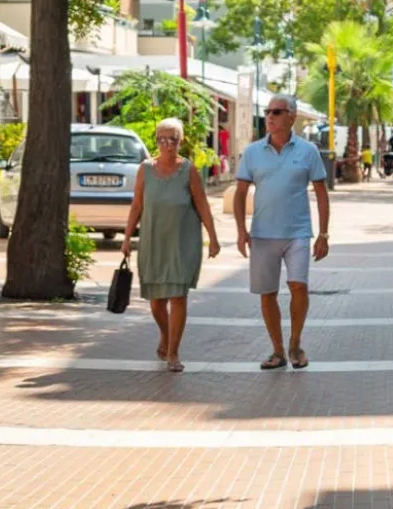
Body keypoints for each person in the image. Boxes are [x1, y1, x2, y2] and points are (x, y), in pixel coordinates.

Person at [234, 93, 330, 370]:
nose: (271, 117)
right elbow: (240, 194)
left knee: (298, 285)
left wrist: (323, 234)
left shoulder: (308, 151)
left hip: (298, 232)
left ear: (292, 117)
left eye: (277, 112)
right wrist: (241, 231)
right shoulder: (252, 152)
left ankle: (295, 343)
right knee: (267, 293)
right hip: (263, 234)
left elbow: (322, 194)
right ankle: (277, 350)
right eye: (268, 112)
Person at [122, 118, 221, 372]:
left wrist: (213, 237)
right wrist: (126, 239)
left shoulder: (188, 170)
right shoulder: (145, 169)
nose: (167, 145)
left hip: (182, 242)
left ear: (181, 141)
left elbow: (202, 204)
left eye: (173, 139)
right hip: (153, 241)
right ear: (156, 142)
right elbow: (136, 206)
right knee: (156, 302)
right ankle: (165, 335)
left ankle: (174, 352)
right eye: (162, 139)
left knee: (178, 296)